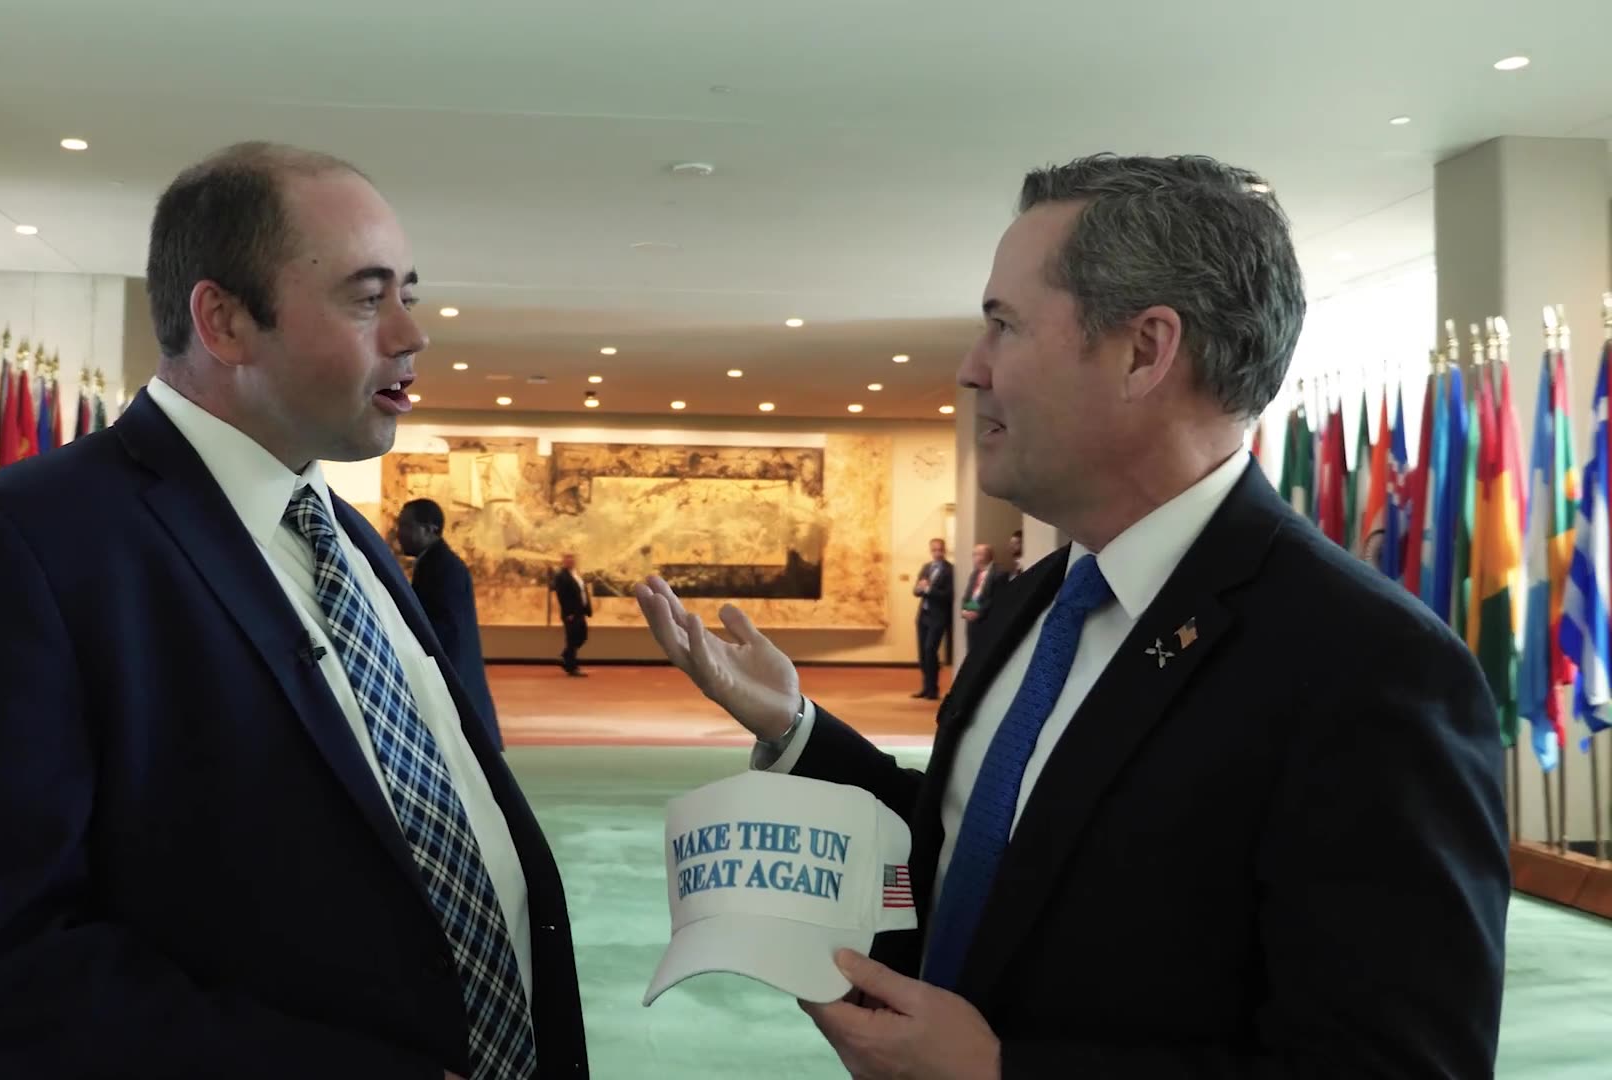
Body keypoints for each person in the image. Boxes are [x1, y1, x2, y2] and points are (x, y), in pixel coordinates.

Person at [635, 153, 1507, 1077]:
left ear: (1144, 350)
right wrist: (795, 727)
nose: (971, 370)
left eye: (1004, 326)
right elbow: (987, 840)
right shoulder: (1035, 602)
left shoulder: (1371, 668)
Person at [0, 141, 587, 1080]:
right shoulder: (24, 541)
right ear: (223, 319)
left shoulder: (347, 535)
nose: (413, 333)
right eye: (368, 298)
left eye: (408, 293)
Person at [397, 497, 502, 750]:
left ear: (431, 529)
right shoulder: (436, 564)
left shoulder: (442, 567)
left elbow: (447, 630)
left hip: (452, 675)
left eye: (407, 526)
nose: (400, 534)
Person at [912, 538, 954, 698]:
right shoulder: (926, 568)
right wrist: (919, 588)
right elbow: (916, 592)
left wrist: (929, 589)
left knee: (930, 650)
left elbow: (948, 595)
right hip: (923, 615)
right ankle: (926, 687)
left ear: (944, 550)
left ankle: (933, 688)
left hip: (939, 617)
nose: (937, 553)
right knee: (923, 653)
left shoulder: (950, 570)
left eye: (939, 550)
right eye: (934, 550)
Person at [551, 554, 592, 677]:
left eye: (572, 558)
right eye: (567, 558)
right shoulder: (561, 576)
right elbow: (562, 596)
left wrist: (586, 608)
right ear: (563, 561)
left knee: (582, 636)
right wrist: (569, 612)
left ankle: (566, 657)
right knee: (572, 638)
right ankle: (572, 666)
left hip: (580, 611)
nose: (570, 560)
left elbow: (582, 592)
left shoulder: (575, 574)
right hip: (571, 613)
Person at [958, 543, 1010, 624]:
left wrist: (978, 613)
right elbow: (968, 595)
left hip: (987, 620)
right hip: (971, 619)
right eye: (973, 555)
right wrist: (965, 610)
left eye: (977, 554)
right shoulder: (974, 573)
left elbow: (996, 599)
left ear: (987, 556)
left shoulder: (1000, 573)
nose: (974, 558)